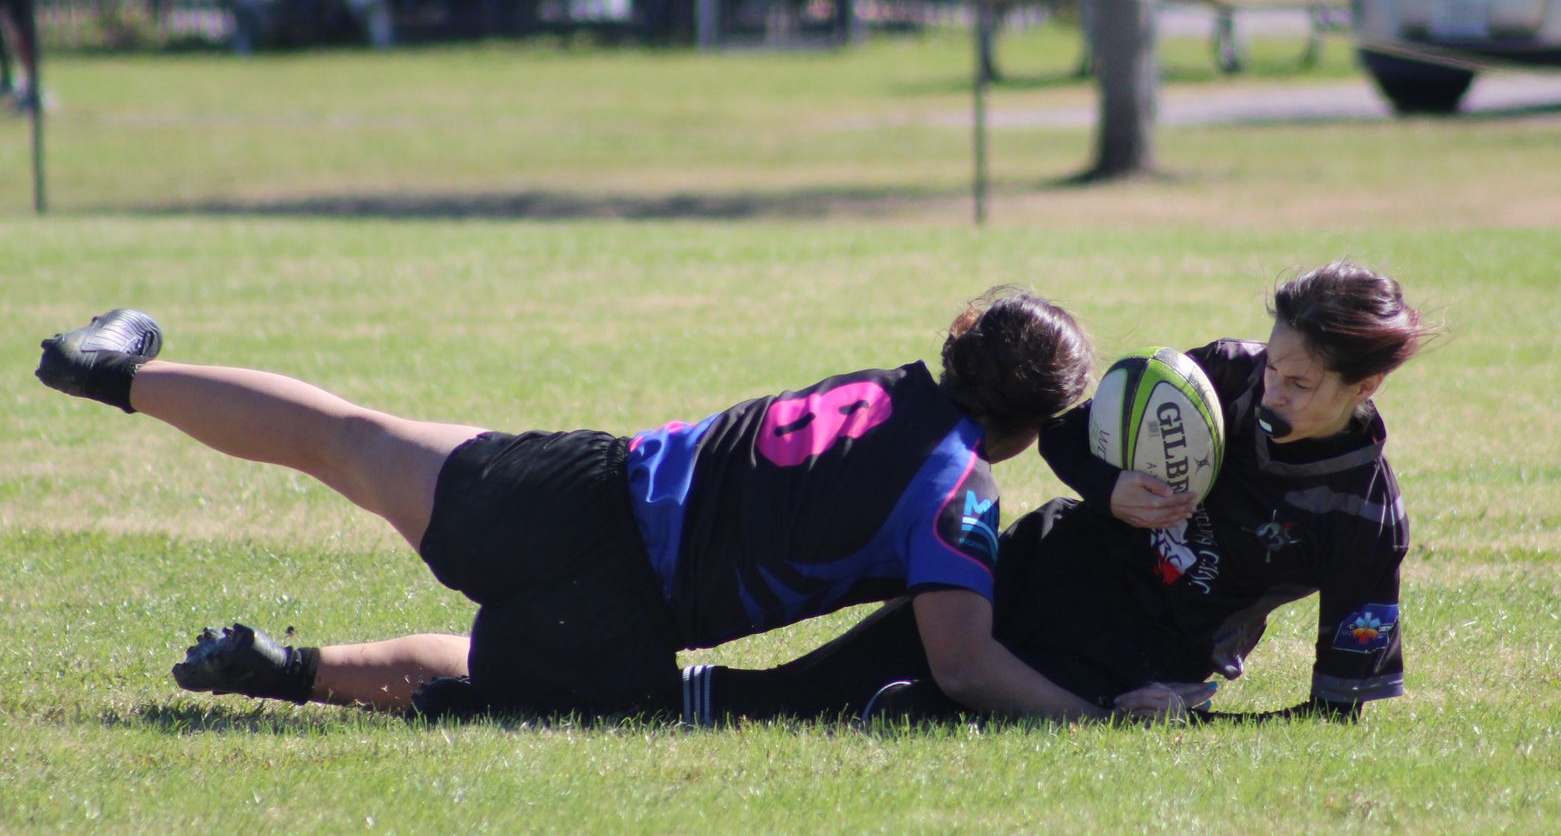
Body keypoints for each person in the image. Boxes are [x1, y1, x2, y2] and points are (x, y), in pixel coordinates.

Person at [33, 288, 1172, 723]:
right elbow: (963, 664)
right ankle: (291, 670)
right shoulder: (963, 495)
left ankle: (111, 370)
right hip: (629, 618)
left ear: (959, 341)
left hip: (580, 489)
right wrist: (1095, 714)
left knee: (345, 436)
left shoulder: (884, 387)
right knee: (487, 671)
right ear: (1034, 423)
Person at [678, 261, 1433, 727]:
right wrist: (1110, 492)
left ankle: (907, 713)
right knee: (816, 688)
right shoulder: (1222, 374)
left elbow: (1334, 714)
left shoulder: (1365, 516)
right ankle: (698, 697)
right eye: (1273, 365)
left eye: (1300, 383)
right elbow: (1066, 434)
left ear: (1364, 386)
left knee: (950, 704)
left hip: (1146, 646)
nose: (1271, 390)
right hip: (1060, 552)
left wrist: (1189, 723)